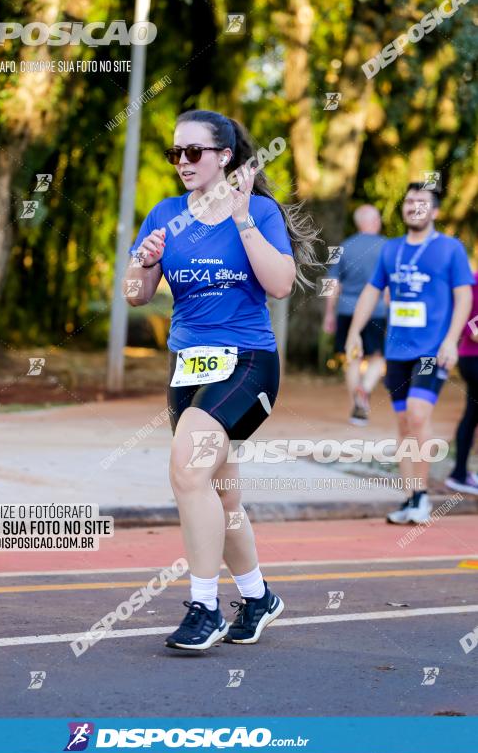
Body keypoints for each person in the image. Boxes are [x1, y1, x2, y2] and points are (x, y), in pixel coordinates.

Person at [124, 109, 319, 650]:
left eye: (194, 152)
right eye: (175, 154)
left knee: (187, 472)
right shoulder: (164, 215)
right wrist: (143, 264)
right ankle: (257, 597)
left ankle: (204, 607)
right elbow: (134, 295)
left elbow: (280, 285)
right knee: (220, 493)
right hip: (187, 368)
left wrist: (241, 220)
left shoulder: (257, 211)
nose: (182, 162)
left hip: (248, 363)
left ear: (224, 156)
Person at [345, 183, 474, 525]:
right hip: (397, 350)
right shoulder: (392, 250)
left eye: (422, 202)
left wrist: (451, 340)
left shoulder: (450, 249)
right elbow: (372, 292)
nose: (414, 206)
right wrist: (355, 331)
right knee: (403, 424)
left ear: (435, 211)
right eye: (410, 201)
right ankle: (410, 497)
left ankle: (422, 498)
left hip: (432, 349)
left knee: (418, 415)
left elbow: (463, 297)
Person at [322, 205, 387, 425]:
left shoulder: (344, 247)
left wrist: (329, 314)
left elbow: (332, 284)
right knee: (378, 357)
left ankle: (356, 407)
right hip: (377, 311)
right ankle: (365, 388)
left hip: (347, 310)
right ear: (375, 221)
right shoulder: (387, 248)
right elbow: (389, 288)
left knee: (353, 358)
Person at [445, 270, 478, 495]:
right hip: (473, 358)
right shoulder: (472, 282)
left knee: (472, 414)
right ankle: (458, 473)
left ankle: (459, 474)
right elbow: (471, 327)